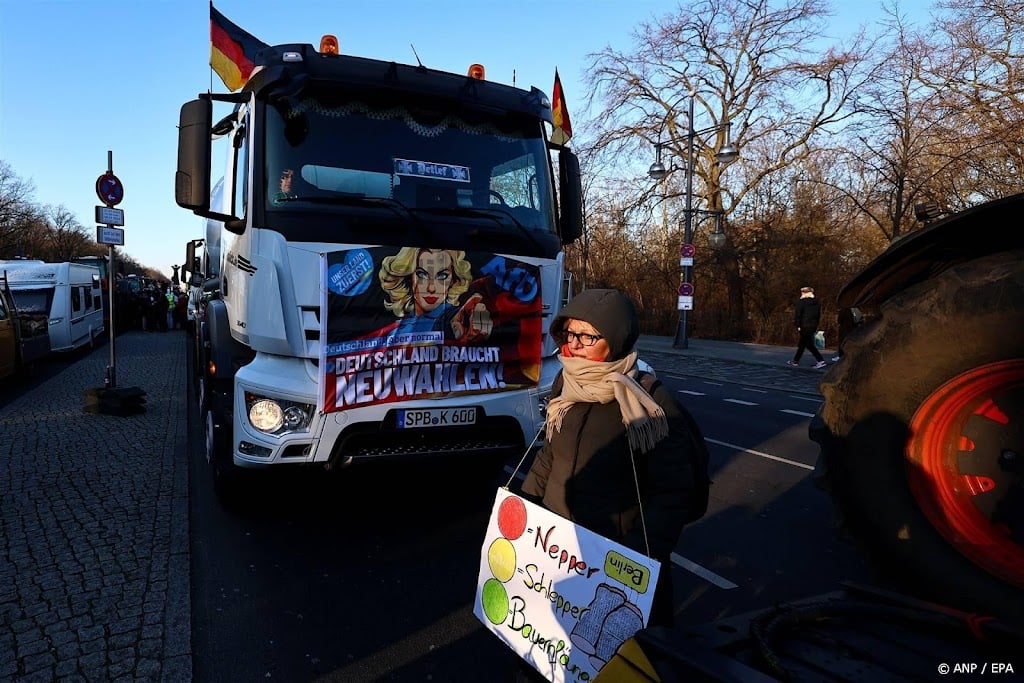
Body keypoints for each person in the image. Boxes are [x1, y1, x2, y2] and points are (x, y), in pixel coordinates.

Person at [520, 288, 704, 632]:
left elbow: (674, 491)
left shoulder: (650, 401)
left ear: (616, 339)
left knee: (615, 650)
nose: (573, 345)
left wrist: (638, 555)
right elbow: (550, 453)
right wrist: (524, 503)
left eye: (587, 336)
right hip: (556, 546)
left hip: (615, 553)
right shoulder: (566, 382)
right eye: (568, 333)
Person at [377, 247, 492, 342]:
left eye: (442, 276)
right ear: (409, 277)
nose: (431, 288)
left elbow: (456, 319)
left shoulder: (455, 317)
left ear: (453, 280)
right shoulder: (392, 331)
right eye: (422, 274)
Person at [787, 286, 828, 368]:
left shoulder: (801, 302)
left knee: (808, 344)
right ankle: (796, 360)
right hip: (812, 325)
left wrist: (798, 325)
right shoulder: (816, 302)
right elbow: (818, 315)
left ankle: (820, 360)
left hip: (804, 325)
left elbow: (798, 314)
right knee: (803, 344)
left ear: (804, 293)